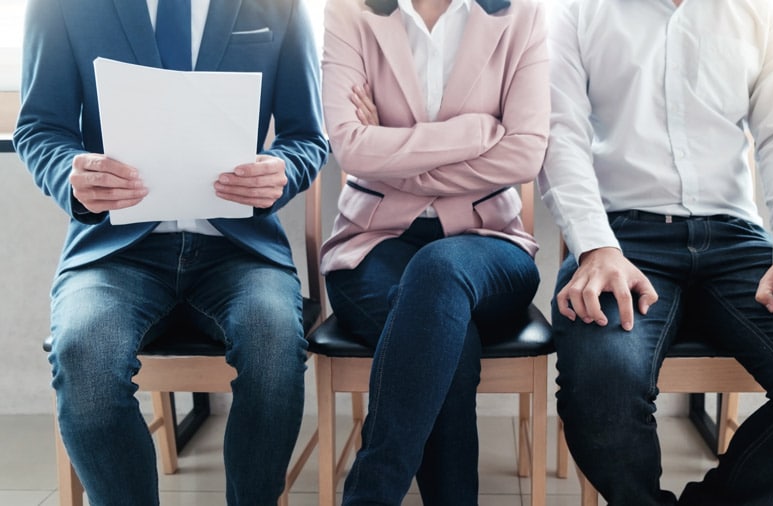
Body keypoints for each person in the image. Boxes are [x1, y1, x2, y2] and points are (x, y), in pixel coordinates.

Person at [538, 0, 773, 504]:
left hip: (738, 243)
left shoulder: (758, 12)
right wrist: (595, 246)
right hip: (622, 241)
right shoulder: (578, 13)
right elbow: (559, 132)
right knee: (601, 385)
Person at [13, 0, 328, 504]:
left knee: (272, 349)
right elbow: (39, 127)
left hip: (239, 252)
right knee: (84, 354)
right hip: (115, 252)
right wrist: (72, 174)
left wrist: (283, 169)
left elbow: (307, 137)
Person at [318, 0, 549, 503]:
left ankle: (371, 492)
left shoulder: (520, 14)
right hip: (372, 242)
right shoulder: (349, 13)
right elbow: (352, 149)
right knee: (449, 341)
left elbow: (526, 151)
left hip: (490, 242)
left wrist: (395, 149)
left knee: (438, 269)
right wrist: (477, 133)